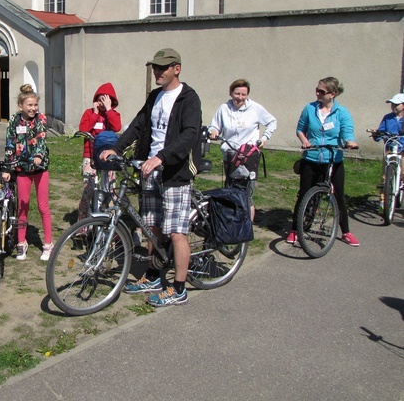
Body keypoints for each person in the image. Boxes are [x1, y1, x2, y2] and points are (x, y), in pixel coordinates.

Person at [100, 48, 202, 307]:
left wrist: (162, 157)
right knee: (152, 227)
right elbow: (137, 124)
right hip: (150, 170)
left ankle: (179, 289)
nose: (157, 71)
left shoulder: (189, 98)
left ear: (176, 69)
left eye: (163, 67)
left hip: (174, 172)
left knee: (177, 232)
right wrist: (117, 147)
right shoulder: (155, 96)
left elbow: (190, 135)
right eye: (155, 67)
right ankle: (154, 275)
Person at [288, 77, 359, 246]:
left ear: (332, 94)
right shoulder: (309, 109)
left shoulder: (342, 113)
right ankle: (296, 230)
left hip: (333, 160)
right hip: (311, 158)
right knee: (305, 194)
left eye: (322, 91)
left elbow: (347, 132)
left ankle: (346, 232)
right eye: (317, 90)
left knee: (338, 196)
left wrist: (350, 141)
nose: (317, 93)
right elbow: (300, 129)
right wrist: (305, 140)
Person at [208, 78, 277, 221]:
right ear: (231, 93)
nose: (240, 98)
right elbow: (214, 126)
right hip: (230, 154)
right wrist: (213, 131)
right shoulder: (224, 109)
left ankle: (247, 227)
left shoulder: (255, 109)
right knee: (230, 189)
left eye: (243, 95)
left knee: (247, 192)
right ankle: (232, 222)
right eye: (237, 93)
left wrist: (264, 139)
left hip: (248, 156)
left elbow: (272, 122)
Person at [1, 84, 53, 261]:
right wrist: (8, 168)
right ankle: (21, 242)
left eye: (35, 105)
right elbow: (9, 144)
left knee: (42, 206)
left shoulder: (41, 119)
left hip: (39, 169)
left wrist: (38, 155)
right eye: (29, 105)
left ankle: (48, 244)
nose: (33, 108)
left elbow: (41, 138)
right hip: (22, 169)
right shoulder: (14, 121)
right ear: (21, 106)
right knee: (23, 206)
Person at [77, 82, 122, 220]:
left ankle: (109, 221)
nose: (102, 102)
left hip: (107, 157)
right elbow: (83, 129)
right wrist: (95, 114)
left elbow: (117, 127)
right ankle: (83, 222)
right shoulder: (89, 113)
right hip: (90, 156)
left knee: (109, 189)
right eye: (100, 99)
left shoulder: (113, 114)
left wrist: (109, 110)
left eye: (105, 99)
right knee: (88, 189)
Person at [370, 93, 404, 208]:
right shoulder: (387, 118)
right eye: (392, 104)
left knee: (403, 173)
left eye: (396, 104)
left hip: (402, 150)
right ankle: (382, 204)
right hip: (390, 149)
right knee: (385, 176)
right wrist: (376, 133)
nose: (393, 107)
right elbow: (380, 132)